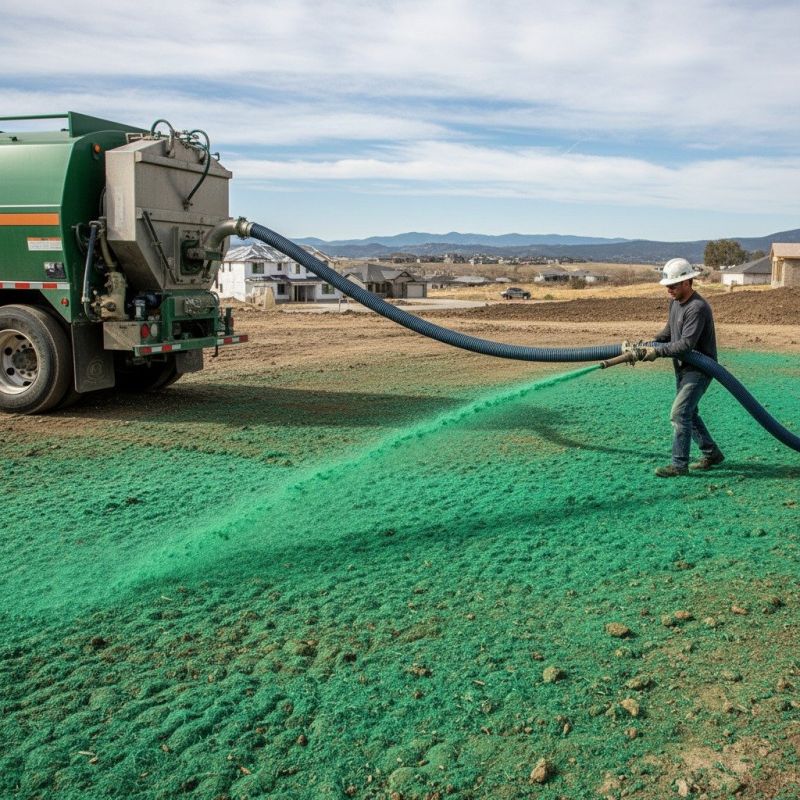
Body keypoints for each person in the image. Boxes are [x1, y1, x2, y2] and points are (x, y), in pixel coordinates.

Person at [639, 258, 725, 478]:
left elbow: (686, 344)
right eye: (667, 285)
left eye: (673, 285)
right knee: (689, 413)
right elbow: (668, 333)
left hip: (700, 369)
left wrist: (657, 351)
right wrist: (647, 344)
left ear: (688, 282)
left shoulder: (697, 307)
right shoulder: (675, 303)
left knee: (679, 414)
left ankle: (679, 465)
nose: (669, 289)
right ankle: (711, 453)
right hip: (683, 367)